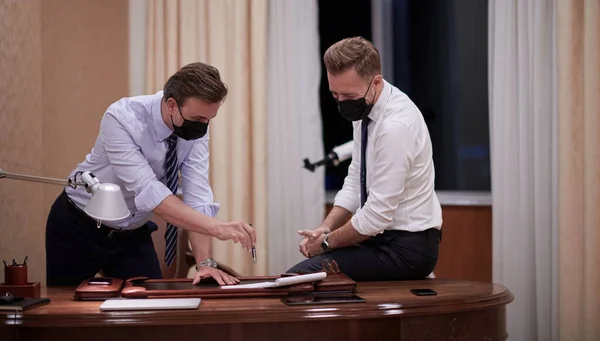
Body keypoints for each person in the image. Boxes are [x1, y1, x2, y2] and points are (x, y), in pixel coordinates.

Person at [45, 62, 255, 286]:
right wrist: (216, 227)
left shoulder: (194, 123)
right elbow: (150, 192)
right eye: (199, 120)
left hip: (132, 233)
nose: (204, 126)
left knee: (151, 306)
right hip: (80, 225)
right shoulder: (122, 118)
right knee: (66, 309)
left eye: (209, 119)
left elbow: (198, 195)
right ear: (172, 104)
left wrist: (205, 264)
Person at [287, 37, 443, 281]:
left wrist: (326, 244)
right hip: (379, 238)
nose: (342, 103)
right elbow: (356, 178)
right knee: (302, 277)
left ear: (376, 83)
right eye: (335, 95)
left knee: (301, 277)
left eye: (348, 95)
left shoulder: (395, 126)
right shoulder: (366, 107)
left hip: (408, 248)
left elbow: (375, 217)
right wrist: (325, 227)